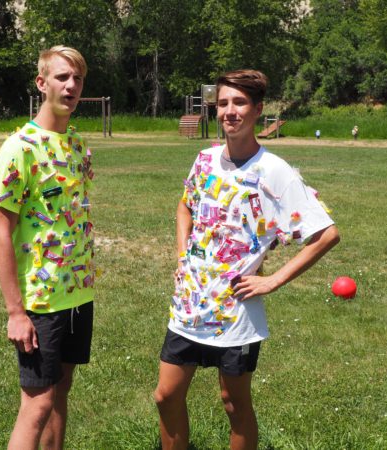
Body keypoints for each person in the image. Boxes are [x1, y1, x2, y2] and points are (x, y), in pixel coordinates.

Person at [154, 69, 340, 450]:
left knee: (233, 404)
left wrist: (271, 281)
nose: (229, 111)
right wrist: (181, 256)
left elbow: (326, 234)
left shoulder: (274, 170)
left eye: (239, 103)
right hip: (190, 305)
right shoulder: (204, 159)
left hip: (236, 312)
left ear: (257, 110)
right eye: (223, 103)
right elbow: (184, 206)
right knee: (166, 396)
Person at [0, 45, 96, 450]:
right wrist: (15, 311)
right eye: (62, 77)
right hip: (40, 301)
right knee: (37, 404)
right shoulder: (20, 148)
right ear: (41, 83)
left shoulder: (78, 145)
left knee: (61, 392)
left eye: (77, 79)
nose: (71, 86)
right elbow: (0, 233)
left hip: (78, 292)